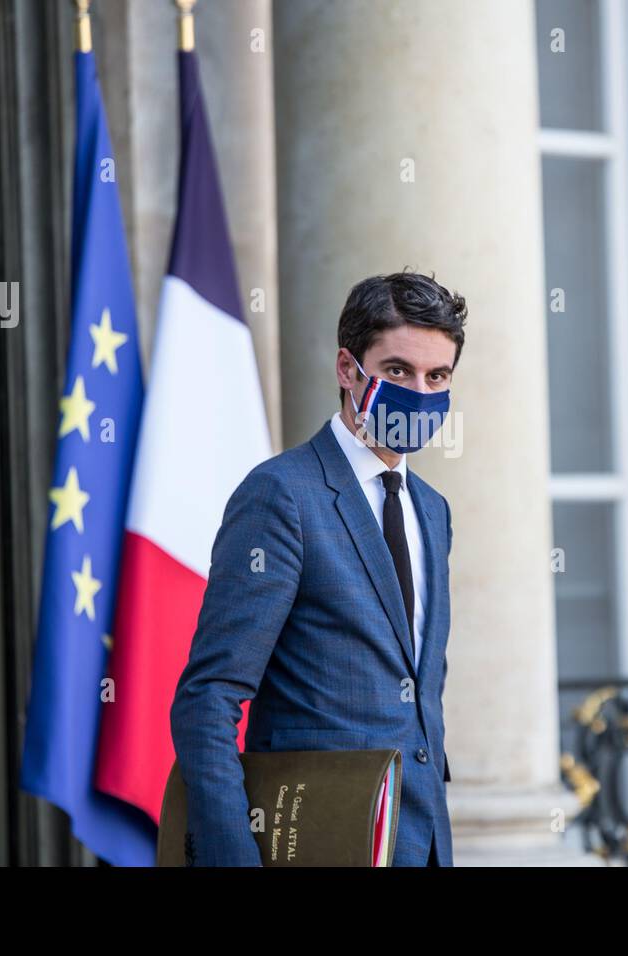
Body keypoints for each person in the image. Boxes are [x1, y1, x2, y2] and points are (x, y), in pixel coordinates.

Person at [170, 269, 466, 866]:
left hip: (421, 846)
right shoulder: (281, 495)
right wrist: (234, 858)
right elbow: (208, 697)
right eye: (398, 371)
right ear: (347, 370)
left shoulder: (433, 511)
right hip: (313, 843)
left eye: (438, 377)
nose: (420, 392)